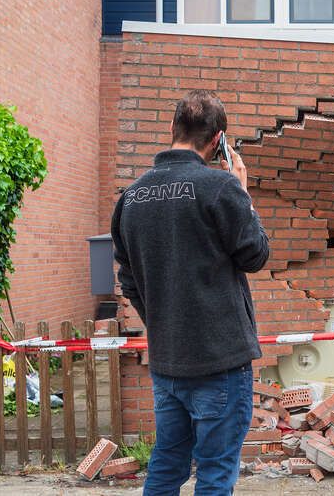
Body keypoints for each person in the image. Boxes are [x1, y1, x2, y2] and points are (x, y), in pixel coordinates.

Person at [111, 90, 270, 495]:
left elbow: (128, 279)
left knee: (166, 465)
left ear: (171, 129)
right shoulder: (220, 187)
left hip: (167, 361)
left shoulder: (130, 197)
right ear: (218, 141)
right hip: (219, 362)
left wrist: (164, 322)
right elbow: (255, 255)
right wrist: (244, 195)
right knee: (216, 473)